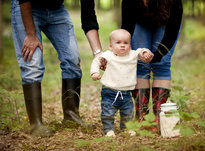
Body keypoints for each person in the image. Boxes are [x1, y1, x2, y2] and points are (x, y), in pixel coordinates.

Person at [11, 0, 102, 137]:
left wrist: (98, 53)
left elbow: (88, 16)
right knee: (32, 64)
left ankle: (71, 116)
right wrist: (30, 34)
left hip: (57, 9)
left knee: (72, 59)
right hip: (26, 6)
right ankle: (36, 125)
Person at [121, 0, 183, 131]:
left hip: (164, 23)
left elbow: (171, 33)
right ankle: (141, 117)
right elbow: (127, 27)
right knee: (140, 64)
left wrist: (157, 55)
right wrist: (127, 52)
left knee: (162, 64)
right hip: (140, 23)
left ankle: (158, 117)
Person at [90, 29, 153, 137]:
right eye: (118, 43)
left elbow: (141, 50)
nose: (122, 45)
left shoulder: (132, 55)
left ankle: (126, 129)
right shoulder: (108, 55)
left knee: (128, 112)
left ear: (130, 44)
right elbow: (96, 60)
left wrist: (145, 52)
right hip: (109, 92)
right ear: (111, 46)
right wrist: (94, 72)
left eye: (126, 43)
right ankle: (109, 129)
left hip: (127, 93)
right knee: (108, 112)